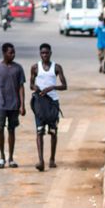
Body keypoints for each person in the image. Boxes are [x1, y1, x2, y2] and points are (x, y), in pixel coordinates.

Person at [0, 42, 26, 168]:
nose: (13, 55)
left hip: (14, 104)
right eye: (10, 52)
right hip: (0, 103)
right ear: (4, 53)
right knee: (0, 128)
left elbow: (21, 87)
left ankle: (11, 158)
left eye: (14, 52)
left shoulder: (18, 68)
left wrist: (22, 105)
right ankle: (2, 156)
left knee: (11, 130)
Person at [30, 43, 67, 172]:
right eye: (42, 53)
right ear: (40, 54)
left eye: (47, 53)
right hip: (40, 102)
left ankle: (52, 159)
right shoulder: (35, 67)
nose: (45, 55)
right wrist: (36, 88)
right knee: (39, 131)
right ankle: (41, 160)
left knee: (53, 132)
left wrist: (52, 87)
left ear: (51, 53)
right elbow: (31, 84)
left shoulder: (56, 68)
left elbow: (64, 85)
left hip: (52, 103)